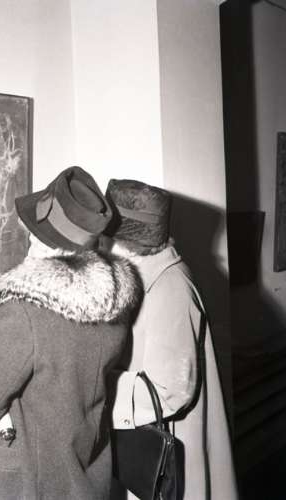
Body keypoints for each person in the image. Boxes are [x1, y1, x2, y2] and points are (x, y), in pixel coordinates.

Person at [0, 167, 142, 500]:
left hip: (26, 483)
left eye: (34, 232)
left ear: (41, 242)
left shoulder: (23, 312)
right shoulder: (115, 305)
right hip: (87, 476)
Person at [102, 179, 238, 500]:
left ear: (125, 241)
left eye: (106, 236)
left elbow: (170, 391)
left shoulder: (170, 288)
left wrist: (98, 391)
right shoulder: (148, 278)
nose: (101, 245)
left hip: (169, 452)